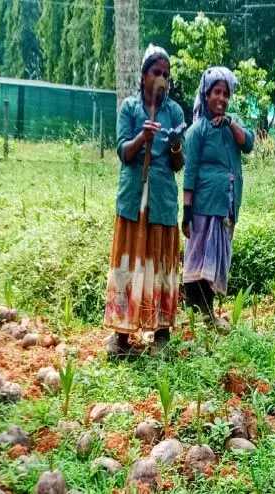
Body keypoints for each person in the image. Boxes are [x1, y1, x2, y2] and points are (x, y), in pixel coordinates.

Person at [104, 44, 185, 356]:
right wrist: (142, 137)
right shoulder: (130, 108)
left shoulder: (174, 112)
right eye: (156, 72)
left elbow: (178, 164)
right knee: (129, 261)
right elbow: (123, 152)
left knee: (160, 263)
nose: (161, 78)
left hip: (162, 199)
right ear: (143, 76)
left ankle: (161, 332)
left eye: (165, 74)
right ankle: (121, 334)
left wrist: (175, 146)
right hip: (133, 197)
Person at [182, 67, 254, 319]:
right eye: (216, 92)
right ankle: (199, 313)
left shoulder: (232, 124)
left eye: (225, 94)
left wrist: (230, 123)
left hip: (227, 204)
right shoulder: (197, 130)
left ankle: (206, 313)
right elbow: (190, 172)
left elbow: (248, 143)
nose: (221, 98)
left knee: (216, 260)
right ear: (206, 95)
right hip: (204, 206)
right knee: (201, 259)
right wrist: (186, 211)